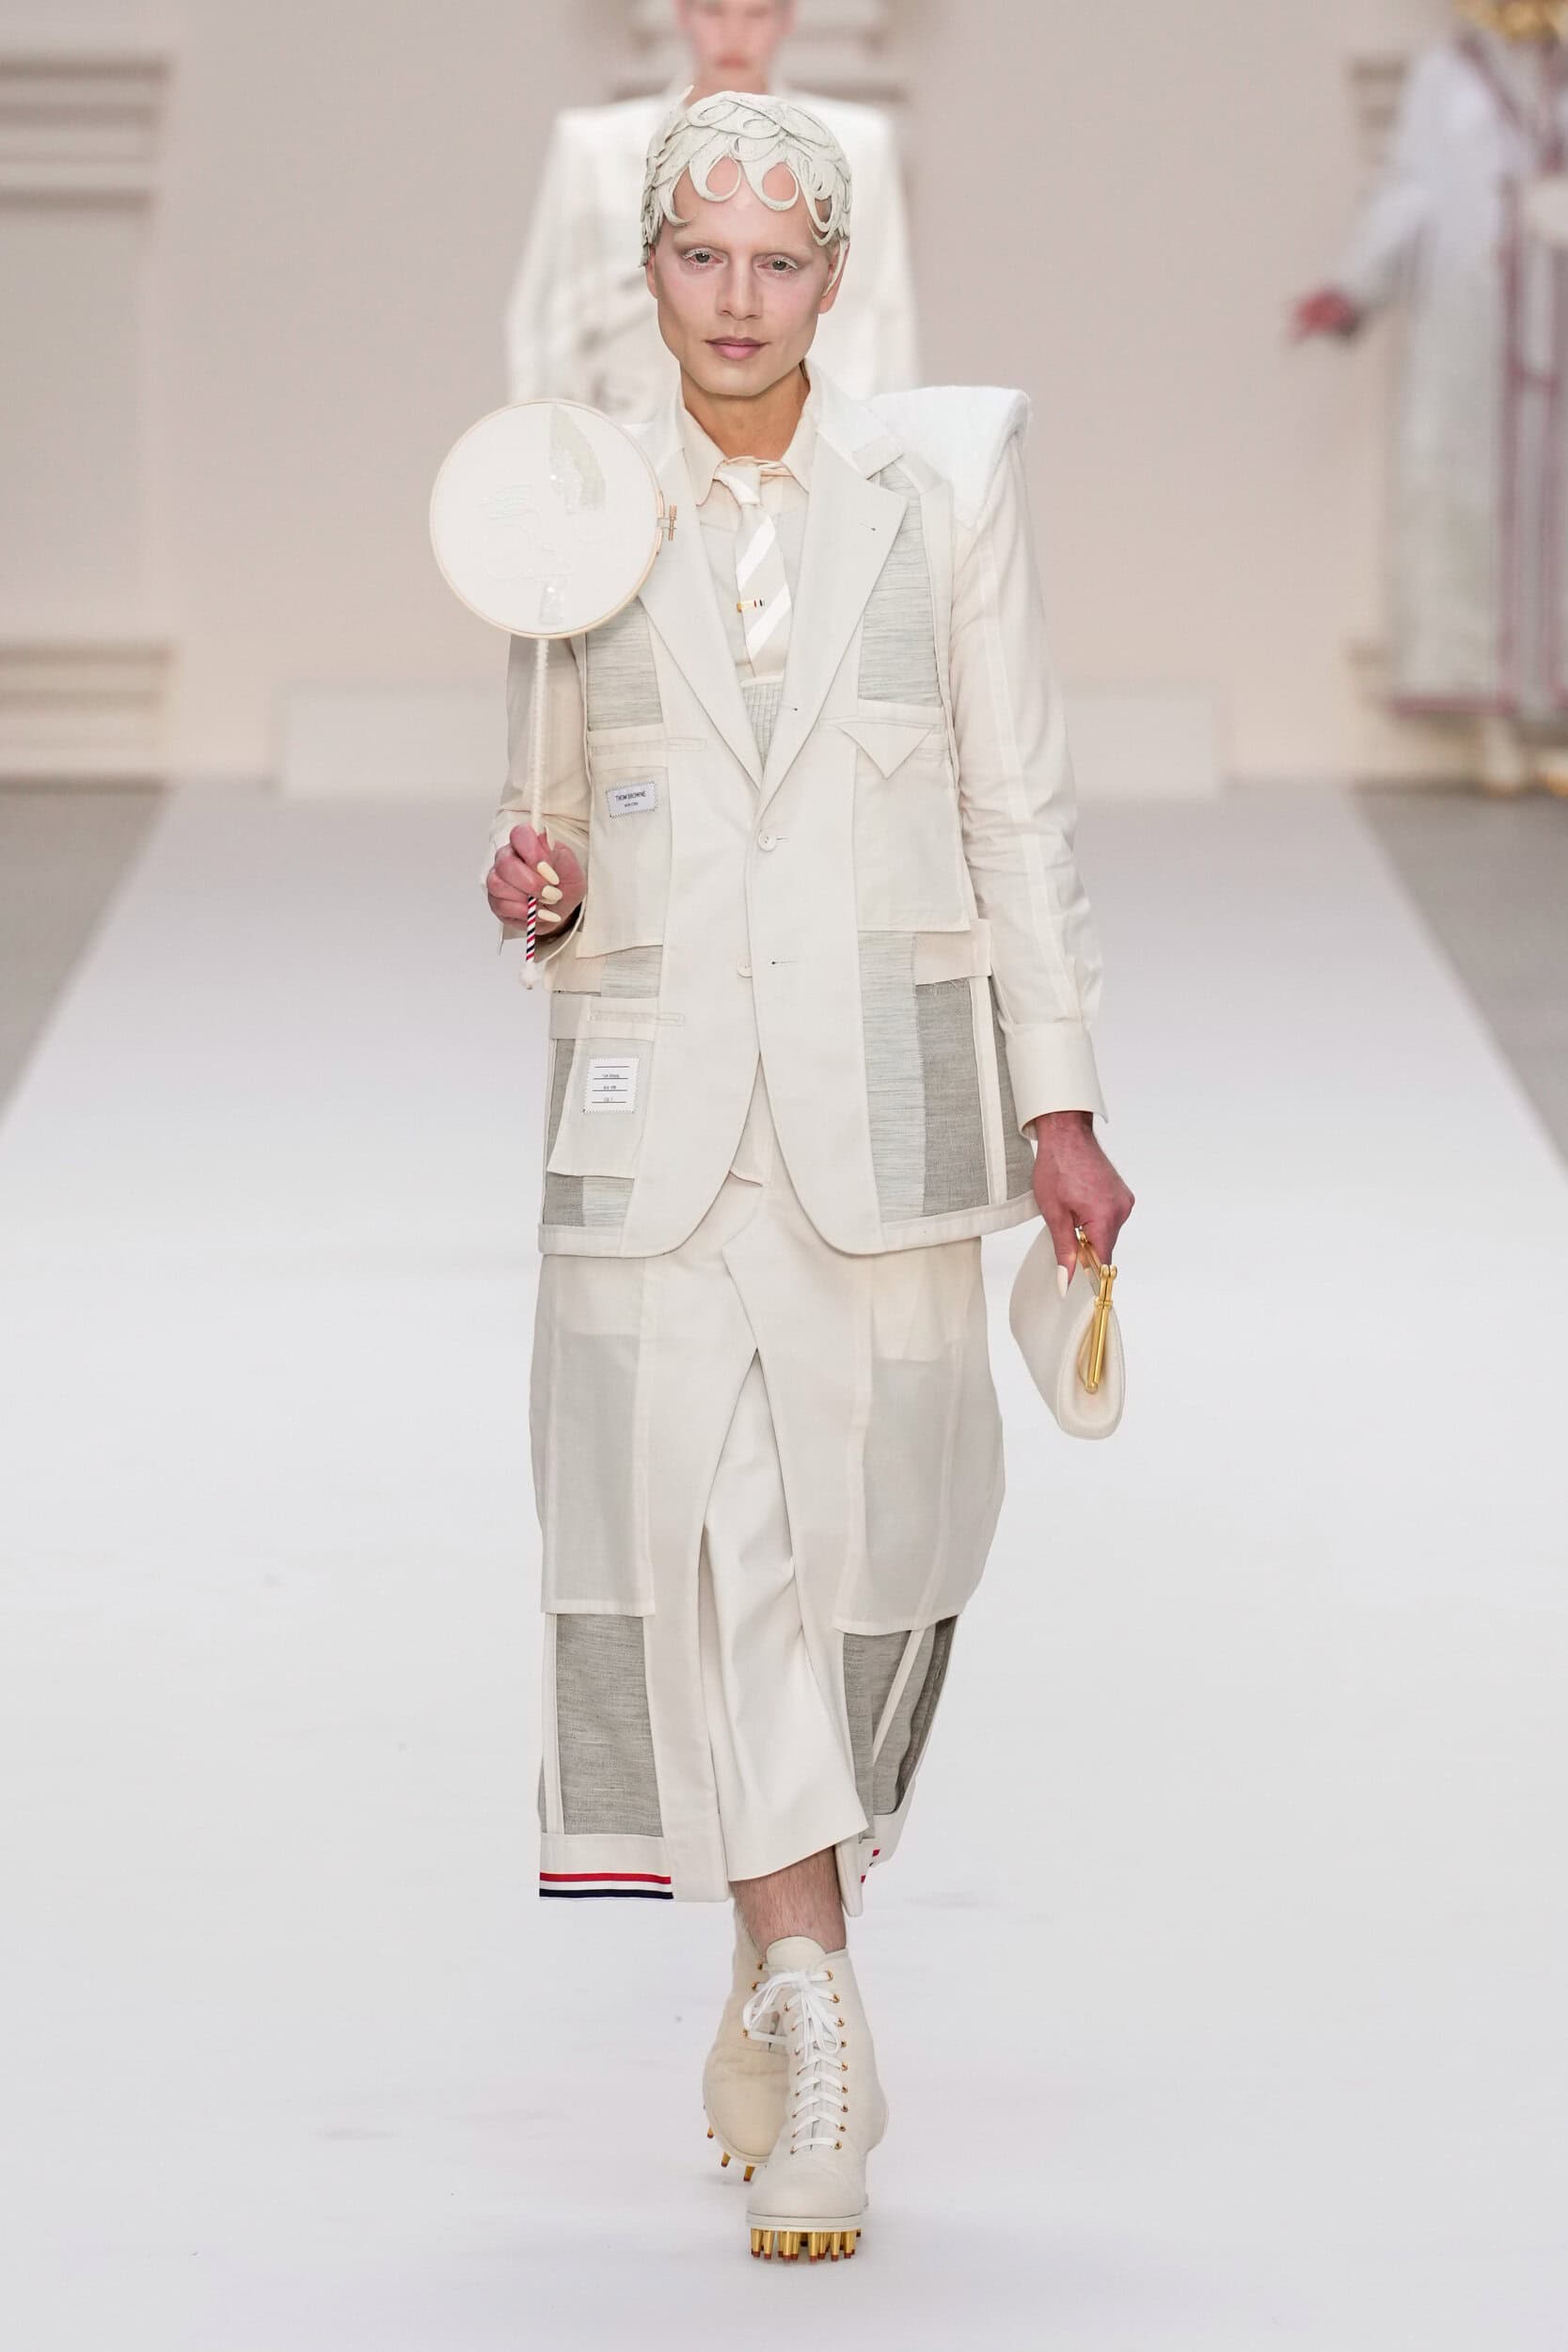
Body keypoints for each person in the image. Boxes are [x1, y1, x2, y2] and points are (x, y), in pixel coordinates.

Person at [483, 89, 1133, 2265]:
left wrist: (1060, 1098)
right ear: (647, 271)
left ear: (834, 279)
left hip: (884, 1092)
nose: (738, 300)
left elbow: (1016, 802)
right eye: (702, 257)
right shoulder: (572, 503)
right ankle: (821, 2010)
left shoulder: (935, 495)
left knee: (879, 1558)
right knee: (718, 1545)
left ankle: (771, 1945)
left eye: (777, 262)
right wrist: (535, 887)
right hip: (660, 1103)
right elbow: (546, 809)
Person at [1294, 0, 1568, 794]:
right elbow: (1409, 190)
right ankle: (1494, 723)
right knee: (1469, 512)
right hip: (1475, 331)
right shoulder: (1448, 73)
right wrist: (1352, 286)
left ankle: (1556, 720)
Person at [505, 0, 919, 415]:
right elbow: (550, 320)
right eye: (713, 11)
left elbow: (886, 309)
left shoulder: (858, 145)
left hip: (812, 426)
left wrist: (885, 437)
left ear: (786, 17)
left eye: (756, 14)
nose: (734, 36)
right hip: (635, 427)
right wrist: (547, 440)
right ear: (682, 13)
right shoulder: (595, 148)